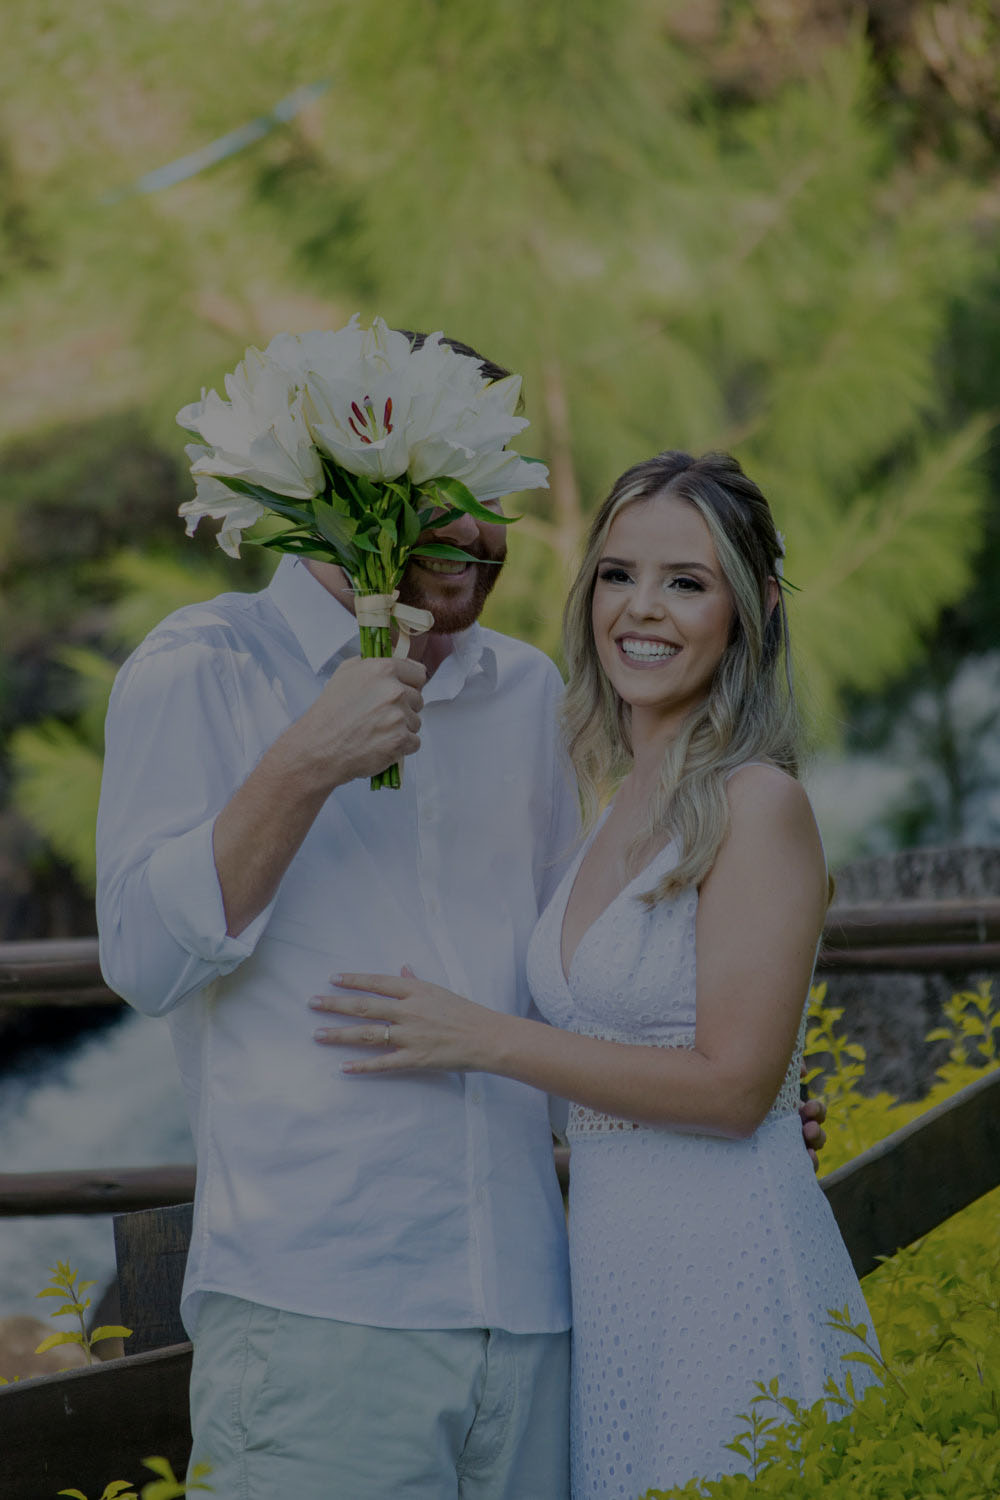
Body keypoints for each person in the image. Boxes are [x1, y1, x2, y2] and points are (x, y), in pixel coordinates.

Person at [97, 328, 825, 1500]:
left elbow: (571, 980)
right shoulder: (205, 667)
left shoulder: (528, 693)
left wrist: (723, 1095)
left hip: (543, 1315)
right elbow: (140, 959)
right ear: (347, 485)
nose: (482, 531)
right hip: (325, 1314)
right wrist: (305, 762)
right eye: (447, 489)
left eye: (498, 492)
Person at [311, 449, 874, 1498]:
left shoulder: (758, 804)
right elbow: (650, 1070)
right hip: (616, 1292)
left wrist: (484, 1037)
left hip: (727, 1281)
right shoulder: (612, 806)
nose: (640, 609)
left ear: (755, 606)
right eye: (618, 574)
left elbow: (732, 1089)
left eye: (685, 581)